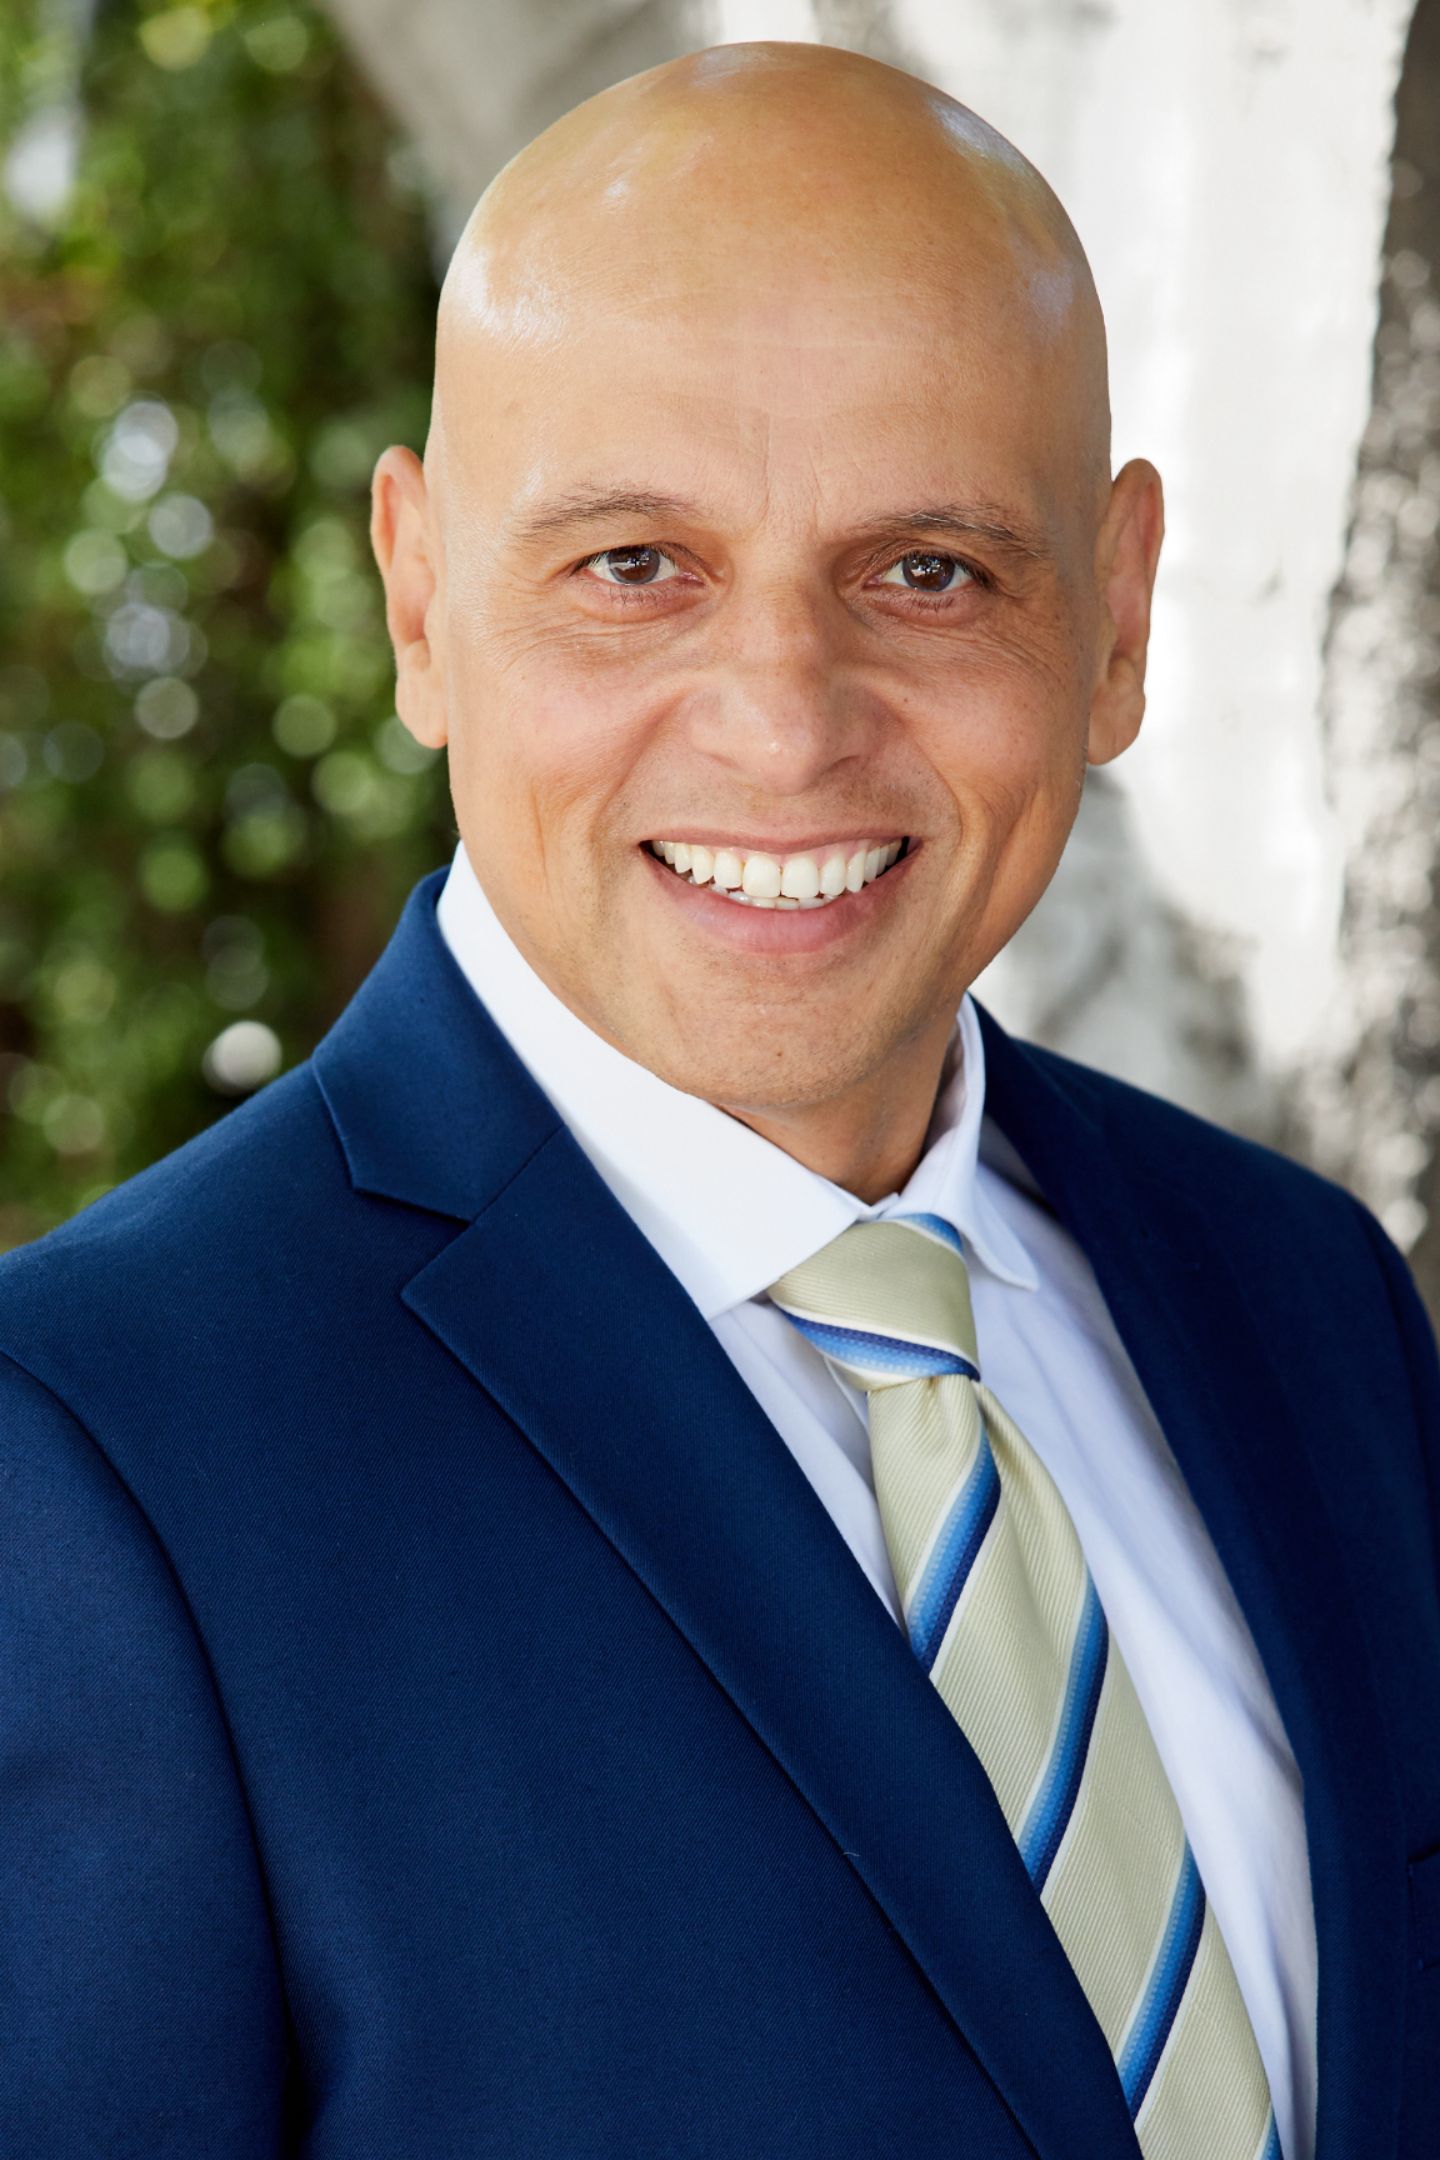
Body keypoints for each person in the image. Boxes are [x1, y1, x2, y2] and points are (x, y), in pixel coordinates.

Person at [2, 38, 1436, 2160]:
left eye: (928, 569)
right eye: (634, 566)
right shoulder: (86, 1463)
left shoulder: (1309, 1301)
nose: (784, 726)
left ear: (1120, 615)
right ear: (420, 597)